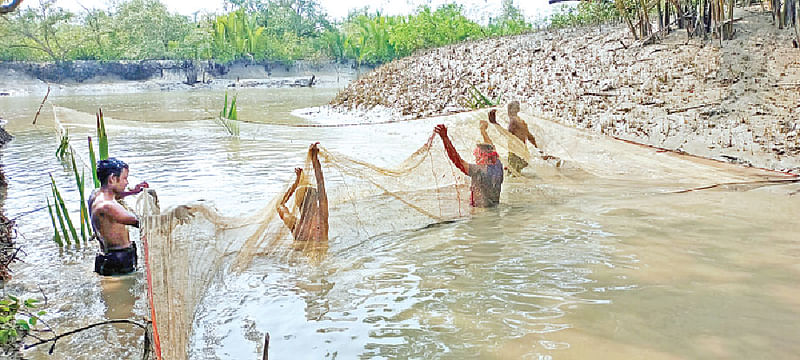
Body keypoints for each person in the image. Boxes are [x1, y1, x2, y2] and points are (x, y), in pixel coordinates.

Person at [89, 158, 148, 276]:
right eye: (124, 178)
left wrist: (134, 192)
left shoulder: (95, 195)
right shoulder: (108, 207)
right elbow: (142, 223)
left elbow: (116, 195)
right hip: (119, 261)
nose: (127, 183)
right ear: (112, 179)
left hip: (105, 257)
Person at [434, 120, 504, 208]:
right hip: (494, 208)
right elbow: (491, 147)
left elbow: (457, 161)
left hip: (481, 213)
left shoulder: (479, 170)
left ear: (483, 156)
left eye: (477, 154)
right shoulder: (498, 165)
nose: (475, 156)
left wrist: (445, 138)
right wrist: (483, 131)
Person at [277, 142, 329, 242]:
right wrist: (314, 159)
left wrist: (296, 183)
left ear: (298, 204)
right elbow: (321, 185)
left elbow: (280, 204)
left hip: (298, 255)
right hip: (324, 255)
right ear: (316, 202)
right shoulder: (322, 220)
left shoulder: (294, 225)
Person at [489, 101, 538, 175]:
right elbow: (530, 137)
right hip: (523, 152)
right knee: (516, 174)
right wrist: (537, 149)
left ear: (510, 110)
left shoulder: (513, 122)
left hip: (515, 153)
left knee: (513, 176)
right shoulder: (522, 121)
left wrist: (494, 123)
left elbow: (507, 135)